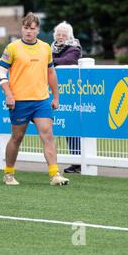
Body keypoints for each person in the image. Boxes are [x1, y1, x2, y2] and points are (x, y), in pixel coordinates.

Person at [0, 12, 69, 186]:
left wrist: (56, 96)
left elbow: (51, 73)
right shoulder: (12, 48)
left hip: (41, 100)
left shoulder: (45, 48)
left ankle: (54, 175)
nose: (28, 31)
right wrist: (8, 93)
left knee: (48, 135)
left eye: (32, 28)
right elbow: (1, 72)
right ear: (22, 29)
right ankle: (8, 174)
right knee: (17, 137)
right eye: (26, 28)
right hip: (19, 101)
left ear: (38, 30)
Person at [51, 21, 82, 174]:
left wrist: (48, 62)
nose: (61, 37)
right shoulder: (50, 48)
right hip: (55, 91)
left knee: (73, 126)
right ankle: (76, 161)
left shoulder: (74, 48)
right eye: (58, 34)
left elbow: (68, 60)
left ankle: (79, 161)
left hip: (72, 93)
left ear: (69, 36)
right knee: (64, 127)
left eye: (64, 34)